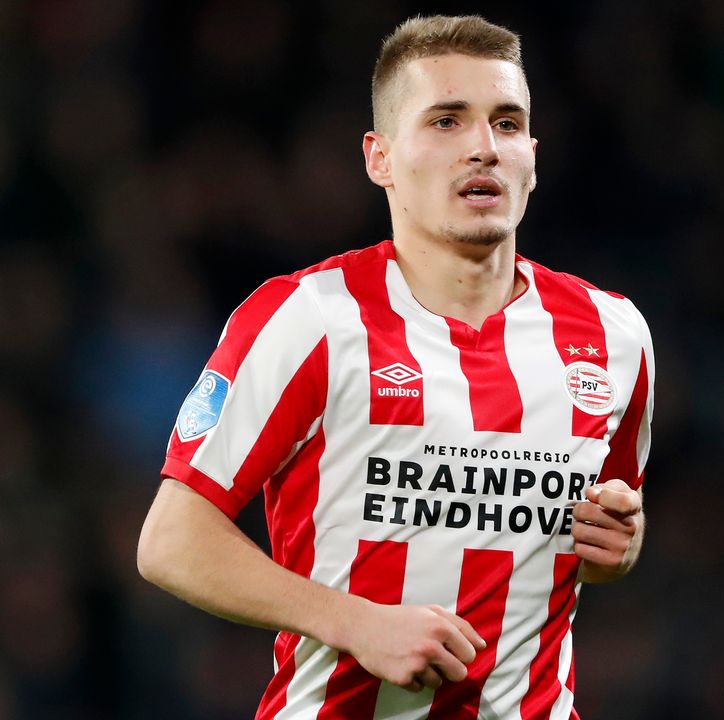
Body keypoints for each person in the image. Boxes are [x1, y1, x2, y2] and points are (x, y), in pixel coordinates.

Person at [136, 14, 654, 720]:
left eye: (506, 123)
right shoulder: (309, 318)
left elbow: (600, 536)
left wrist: (618, 548)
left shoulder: (613, 335)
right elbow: (172, 541)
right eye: (446, 121)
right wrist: (354, 622)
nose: (483, 146)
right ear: (379, 158)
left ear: (532, 156)